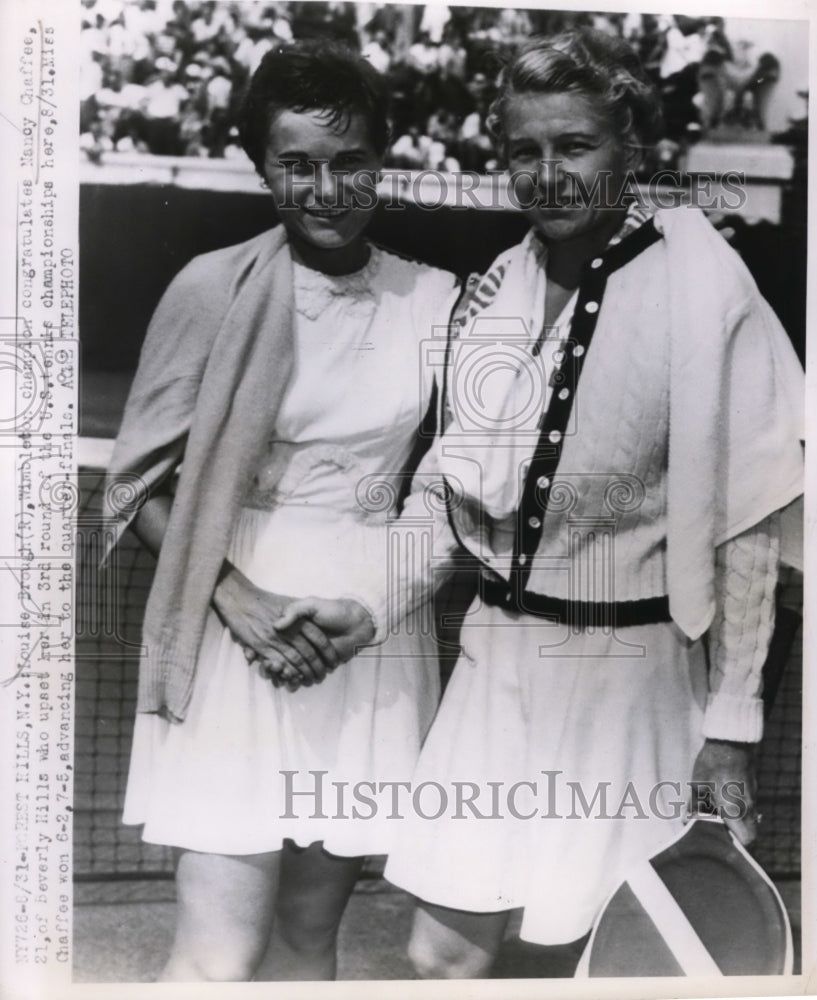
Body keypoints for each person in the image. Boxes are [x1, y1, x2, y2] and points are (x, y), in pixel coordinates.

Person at [278, 28, 804, 978]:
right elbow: (447, 494)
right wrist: (366, 607)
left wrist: (729, 733)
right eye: (525, 150)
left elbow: (752, 526)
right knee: (441, 955)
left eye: (575, 146)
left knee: (600, 964)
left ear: (630, 150)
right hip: (495, 664)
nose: (549, 173)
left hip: (635, 683)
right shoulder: (499, 287)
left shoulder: (706, 277)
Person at [106, 41, 458, 982]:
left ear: (382, 157)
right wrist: (236, 596)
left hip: (370, 639)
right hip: (232, 636)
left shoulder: (439, 298)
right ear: (262, 164)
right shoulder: (209, 286)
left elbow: (458, 488)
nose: (325, 189)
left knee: (310, 944)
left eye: (349, 162)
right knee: (218, 957)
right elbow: (137, 481)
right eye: (297, 163)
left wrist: (373, 606)